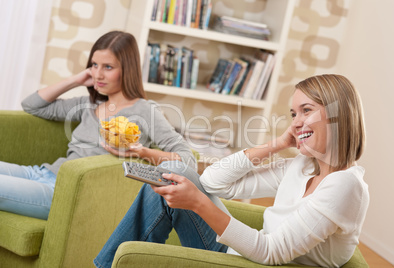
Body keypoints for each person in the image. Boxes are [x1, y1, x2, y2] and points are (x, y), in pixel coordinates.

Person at [94, 74, 369, 268]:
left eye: (305, 110)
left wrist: (198, 203)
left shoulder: (345, 186)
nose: (296, 123)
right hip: (244, 252)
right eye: (293, 114)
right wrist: (276, 144)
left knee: (173, 179)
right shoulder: (304, 166)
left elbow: (271, 252)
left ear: (338, 115)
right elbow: (214, 183)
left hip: (258, 263)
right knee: (173, 170)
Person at [0, 31, 196, 220]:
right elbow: (31, 105)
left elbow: (187, 159)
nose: (98, 74)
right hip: (42, 173)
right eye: (94, 65)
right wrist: (76, 80)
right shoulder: (89, 104)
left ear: (127, 70)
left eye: (108, 67)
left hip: (63, 192)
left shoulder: (145, 110)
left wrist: (142, 152)